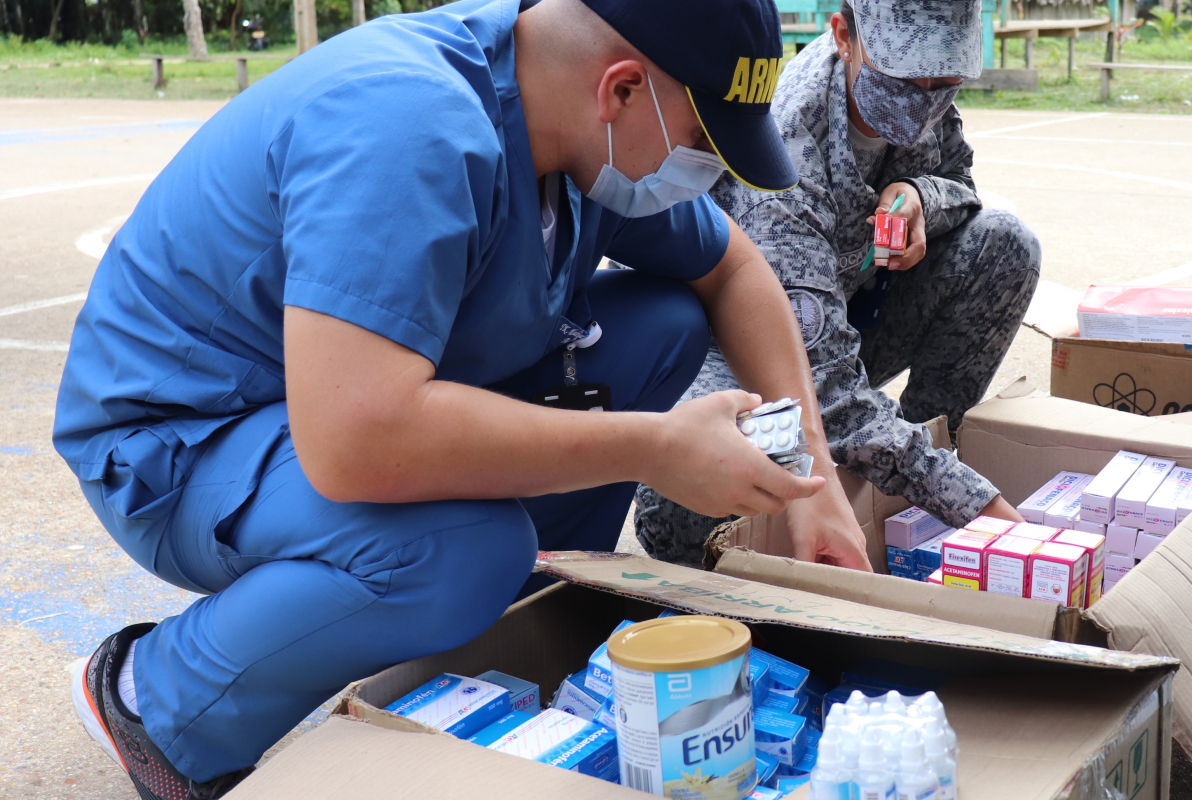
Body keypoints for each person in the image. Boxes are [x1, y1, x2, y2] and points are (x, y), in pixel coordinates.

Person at [53, 0, 874, 795]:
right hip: (187, 439)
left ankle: (508, 630)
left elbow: (734, 270)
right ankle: (156, 699)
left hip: (347, 406)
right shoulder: (413, 126)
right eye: (701, 142)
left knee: (662, 320)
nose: (702, 170)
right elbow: (354, 442)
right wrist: (653, 448)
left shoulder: (568, 125)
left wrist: (816, 481)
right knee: (461, 551)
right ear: (620, 89)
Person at [634, 0, 1042, 567]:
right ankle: (699, 543)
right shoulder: (788, 141)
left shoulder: (920, 92)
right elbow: (819, 389)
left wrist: (922, 196)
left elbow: (959, 177)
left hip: (846, 321)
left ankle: (915, 460)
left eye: (944, 80)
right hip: (745, 360)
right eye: (907, 78)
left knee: (1005, 243)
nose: (925, 97)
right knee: (746, 445)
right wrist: (983, 509)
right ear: (844, 35)